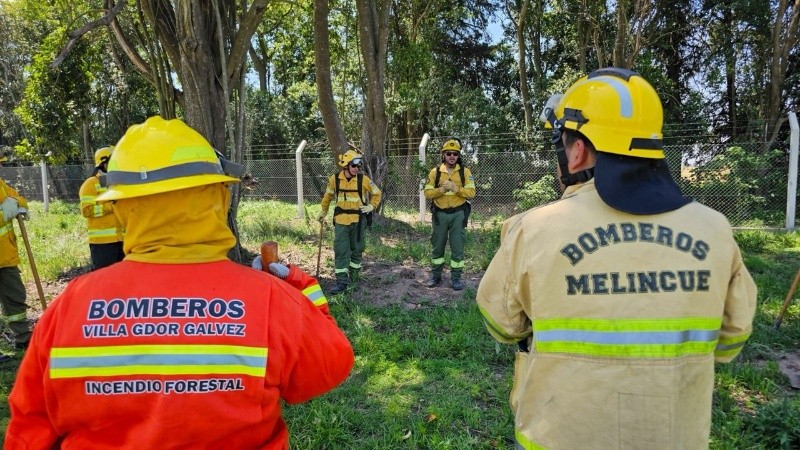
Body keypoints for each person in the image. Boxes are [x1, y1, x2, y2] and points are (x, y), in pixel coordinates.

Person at [5, 116, 355, 449]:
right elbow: (329, 367)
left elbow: (31, 422)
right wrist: (296, 283)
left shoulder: (71, 303)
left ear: (122, 208)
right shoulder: (269, 298)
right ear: (218, 197)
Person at [476, 68, 757, 449]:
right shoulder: (716, 230)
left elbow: (502, 325)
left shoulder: (532, 230)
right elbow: (730, 342)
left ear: (577, 151)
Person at [317, 148, 382, 294]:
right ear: (346, 166)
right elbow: (327, 197)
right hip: (341, 221)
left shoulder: (363, 180)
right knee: (341, 250)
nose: (356, 169)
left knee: (357, 250)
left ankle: (354, 278)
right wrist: (323, 211)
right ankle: (341, 282)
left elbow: (377, 193)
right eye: (353, 166)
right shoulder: (334, 179)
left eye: (358, 166)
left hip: (358, 221)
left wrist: (371, 206)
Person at [422, 138, 476, 290]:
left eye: (455, 154)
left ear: (458, 156)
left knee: (457, 247)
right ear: (443, 155)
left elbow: (471, 193)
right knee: (437, 247)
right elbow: (427, 193)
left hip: (458, 214)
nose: (452, 156)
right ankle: (436, 276)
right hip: (440, 215)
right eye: (448, 153)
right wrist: (441, 190)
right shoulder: (435, 172)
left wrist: (456, 188)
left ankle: (456, 279)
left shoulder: (465, 172)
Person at [0, 150, 32, 352]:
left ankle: (22, 338)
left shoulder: (1, 185)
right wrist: (4, 213)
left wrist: (16, 204)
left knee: (15, 297)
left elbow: (19, 199)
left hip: (6, 256)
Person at [79, 146, 125, 269]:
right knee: (105, 283)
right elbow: (86, 210)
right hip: (102, 244)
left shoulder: (118, 183)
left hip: (122, 240)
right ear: (103, 162)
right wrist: (111, 205)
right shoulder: (90, 184)